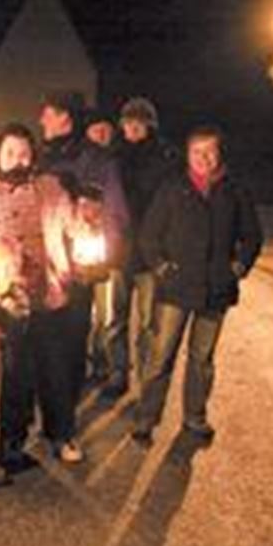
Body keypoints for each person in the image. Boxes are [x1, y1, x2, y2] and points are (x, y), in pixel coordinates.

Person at [0, 124, 89, 470]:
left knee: (55, 368)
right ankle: (12, 439)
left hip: (49, 293)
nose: (18, 160)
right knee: (12, 373)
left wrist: (87, 222)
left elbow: (74, 225)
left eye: (25, 152)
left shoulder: (50, 188)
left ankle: (61, 433)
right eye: (10, 152)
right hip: (6, 299)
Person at [132, 125, 263, 445]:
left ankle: (195, 418)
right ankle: (146, 419)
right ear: (188, 155)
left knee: (201, 360)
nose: (204, 158)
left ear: (220, 154)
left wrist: (239, 266)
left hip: (216, 289)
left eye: (210, 151)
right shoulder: (172, 188)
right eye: (197, 152)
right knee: (161, 357)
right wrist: (162, 268)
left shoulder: (235, 191)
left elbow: (253, 235)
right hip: (175, 289)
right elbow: (149, 235)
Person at [38, 92, 128, 453]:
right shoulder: (41, 157)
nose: (42, 121)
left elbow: (115, 212)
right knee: (44, 350)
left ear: (65, 119)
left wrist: (99, 257)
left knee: (70, 350)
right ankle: (50, 424)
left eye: (47, 114)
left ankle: (64, 429)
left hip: (77, 272)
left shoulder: (96, 161)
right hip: (40, 271)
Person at [105, 96, 181, 397]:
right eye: (128, 121)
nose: (133, 127)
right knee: (116, 319)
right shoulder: (113, 158)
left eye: (139, 122)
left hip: (150, 254)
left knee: (149, 323)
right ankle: (118, 371)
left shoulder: (164, 158)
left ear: (150, 125)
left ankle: (146, 379)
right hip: (119, 252)